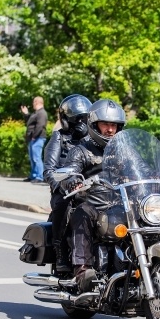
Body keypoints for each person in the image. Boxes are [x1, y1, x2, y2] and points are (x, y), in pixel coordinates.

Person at [61, 98, 126, 292]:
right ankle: (83, 269)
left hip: (120, 204)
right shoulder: (81, 151)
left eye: (114, 125)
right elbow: (69, 170)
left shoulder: (124, 152)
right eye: (106, 124)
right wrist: (72, 178)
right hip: (93, 204)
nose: (110, 129)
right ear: (94, 125)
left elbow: (140, 169)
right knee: (82, 213)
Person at [42, 94, 92, 275]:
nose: (81, 123)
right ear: (67, 120)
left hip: (92, 190)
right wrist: (62, 186)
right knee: (64, 204)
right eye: (76, 119)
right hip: (65, 190)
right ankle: (60, 249)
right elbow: (49, 169)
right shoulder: (59, 138)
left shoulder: (92, 140)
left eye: (84, 118)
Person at [20, 96, 48, 184]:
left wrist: (34, 136)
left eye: (33, 102)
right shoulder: (36, 113)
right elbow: (30, 121)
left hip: (38, 138)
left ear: (36, 102)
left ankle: (40, 176)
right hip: (34, 139)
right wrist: (26, 114)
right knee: (32, 158)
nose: (32, 104)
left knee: (37, 158)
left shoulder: (42, 113)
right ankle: (33, 175)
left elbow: (40, 126)